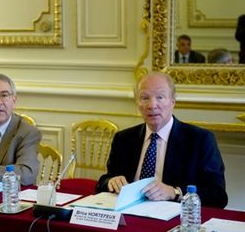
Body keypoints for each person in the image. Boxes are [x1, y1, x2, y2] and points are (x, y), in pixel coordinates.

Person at [95, 72, 228, 208]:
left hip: (174, 218)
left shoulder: (200, 140)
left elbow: (218, 195)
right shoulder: (124, 139)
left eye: (160, 97)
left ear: (172, 102)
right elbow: (104, 180)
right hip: (130, 214)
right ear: (137, 103)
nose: (152, 105)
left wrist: (175, 192)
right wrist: (111, 181)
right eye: (145, 98)